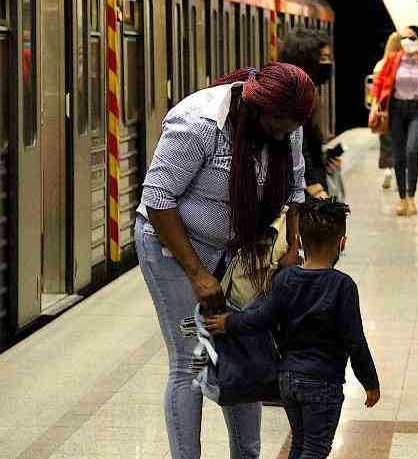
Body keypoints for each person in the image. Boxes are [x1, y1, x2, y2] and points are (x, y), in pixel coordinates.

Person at [135, 63, 315, 459]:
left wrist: (291, 250)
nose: (284, 135)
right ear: (255, 110)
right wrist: (197, 274)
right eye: (278, 127)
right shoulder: (197, 123)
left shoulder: (290, 128)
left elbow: (296, 190)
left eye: (291, 128)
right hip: (174, 252)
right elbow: (158, 200)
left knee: (246, 351)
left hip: (239, 254)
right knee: (193, 360)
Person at [205, 198, 380, 459]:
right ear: (342, 243)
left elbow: (260, 319)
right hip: (323, 381)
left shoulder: (286, 279)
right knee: (315, 449)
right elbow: (355, 340)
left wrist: (227, 322)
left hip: (287, 379)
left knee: (299, 444)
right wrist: (370, 382)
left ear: (299, 240)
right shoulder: (343, 286)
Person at [370, 26, 418, 216]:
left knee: (411, 150)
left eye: (412, 37)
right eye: (404, 37)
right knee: (399, 155)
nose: (407, 40)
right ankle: (402, 198)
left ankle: (411, 195)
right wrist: (376, 103)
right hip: (396, 110)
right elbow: (379, 83)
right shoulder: (393, 60)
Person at [278, 28, 341, 200]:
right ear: (306, 60)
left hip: (307, 183)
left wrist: (325, 157)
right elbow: (297, 141)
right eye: (323, 58)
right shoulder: (295, 94)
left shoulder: (305, 89)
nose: (328, 64)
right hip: (303, 189)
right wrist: (313, 184)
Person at [373, 32, 402, 190]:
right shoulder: (405, 63)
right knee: (400, 141)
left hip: (384, 108)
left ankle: (388, 170)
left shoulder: (380, 64)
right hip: (400, 106)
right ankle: (399, 172)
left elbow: (375, 89)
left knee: (385, 141)